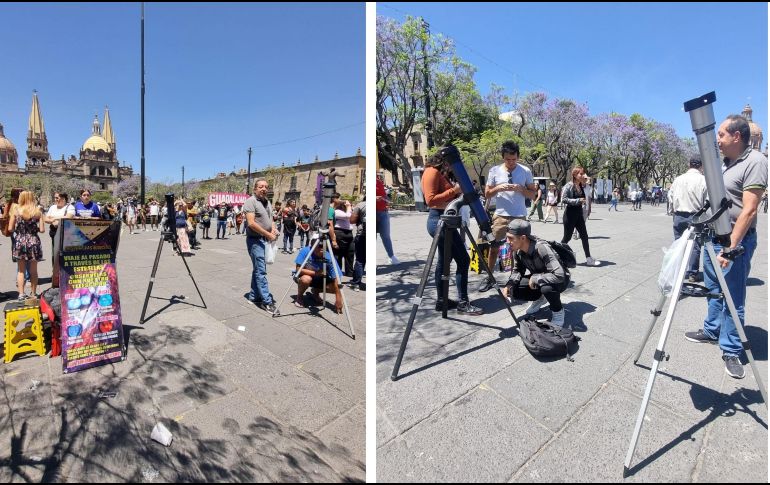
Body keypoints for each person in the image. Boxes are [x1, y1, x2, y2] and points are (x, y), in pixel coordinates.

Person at [685, 114, 768, 379]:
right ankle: (712, 330)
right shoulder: (725, 163)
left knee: (733, 296)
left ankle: (731, 349)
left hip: (734, 239)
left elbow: (750, 209)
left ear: (737, 136)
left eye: (721, 134)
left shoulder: (755, 161)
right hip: (712, 236)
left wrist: (731, 248)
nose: (717, 140)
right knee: (713, 289)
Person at [423, 149, 483, 315]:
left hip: (446, 220)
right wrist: (454, 191)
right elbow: (430, 200)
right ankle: (463, 302)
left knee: (444, 261)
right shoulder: (432, 172)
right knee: (463, 260)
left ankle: (442, 300)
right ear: (444, 160)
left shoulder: (441, 172)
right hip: (439, 220)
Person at [480, 141, 537, 292]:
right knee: (494, 247)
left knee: (520, 250)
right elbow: (487, 194)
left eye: (514, 159)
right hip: (501, 216)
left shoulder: (525, 171)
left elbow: (533, 194)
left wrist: (522, 189)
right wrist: (498, 188)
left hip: (519, 216)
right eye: (507, 159)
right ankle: (489, 277)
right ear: (503, 157)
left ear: (518, 157)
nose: (511, 163)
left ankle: (516, 279)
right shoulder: (494, 171)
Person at [502, 220, 570, 327]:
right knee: (514, 289)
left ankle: (558, 311)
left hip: (559, 281)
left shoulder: (541, 248)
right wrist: (509, 284)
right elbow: (518, 270)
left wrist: (535, 278)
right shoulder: (518, 250)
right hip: (540, 277)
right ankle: (540, 299)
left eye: (510, 238)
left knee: (546, 288)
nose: (507, 241)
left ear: (523, 238)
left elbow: (559, 275)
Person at [668, 156, 708, 282]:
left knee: (678, 243)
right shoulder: (703, 180)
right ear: (701, 166)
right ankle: (692, 273)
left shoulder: (678, 179)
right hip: (696, 216)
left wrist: (672, 210)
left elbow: (670, 195)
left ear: (689, 164)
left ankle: (678, 270)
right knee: (695, 245)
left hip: (679, 215)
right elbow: (707, 201)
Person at [243, 178, 279, 314]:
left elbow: (270, 220)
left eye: (266, 187)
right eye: (261, 187)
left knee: (258, 269)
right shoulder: (250, 202)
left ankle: (253, 296)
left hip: (265, 239)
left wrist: (273, 229)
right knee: (261, 271)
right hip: (255, 240)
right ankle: (267, 302)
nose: (264, 189)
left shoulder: (267, 202)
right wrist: (267, 234)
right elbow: (251, 223)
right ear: (255, 189)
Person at [293, 234, 344, 313]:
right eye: (319, 245)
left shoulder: (328, 256)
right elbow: (298, 269)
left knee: (336, 288)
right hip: (306, 276)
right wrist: (315, 273)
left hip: (321, 279)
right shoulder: (305, 251)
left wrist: (338, 299)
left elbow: (336, 277)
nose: (322, 248)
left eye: (324, 246)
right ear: (313, 245)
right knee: (305, 279)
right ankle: (300, 296)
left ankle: (315, 292)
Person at [561, 166, 600, 266]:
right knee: (567, 238)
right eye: (581, 174)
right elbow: (564, 199)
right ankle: (557, 255)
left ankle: (588, 258)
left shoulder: (582, 186)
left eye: (583, 173)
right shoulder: (568, 186)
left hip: (579, 214)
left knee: (584, 236)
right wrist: (578, 200)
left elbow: (587, 191)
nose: (583, 175)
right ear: (574, 175)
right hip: (569, 215)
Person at [10, 191, 45, 299]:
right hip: (33, 240)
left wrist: (20, 229)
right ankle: (33, 294)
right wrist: (34, 228)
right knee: (33, 270)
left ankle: (21, 293)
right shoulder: (37, 211)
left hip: (20, 240)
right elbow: (42, 230)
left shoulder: (16, 210)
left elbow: (10, 228)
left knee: (21, 270)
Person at [376, 172, 399, 264]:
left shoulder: (379, 181)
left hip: (383, 212)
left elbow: (383, 194)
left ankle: (391, 256)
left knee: (386, 236)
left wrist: (387, 199)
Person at [349, 196, 366, 291]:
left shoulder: (361, 205)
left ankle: (356, 283)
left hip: (362, 235)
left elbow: (352, 220)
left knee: (360, 259)